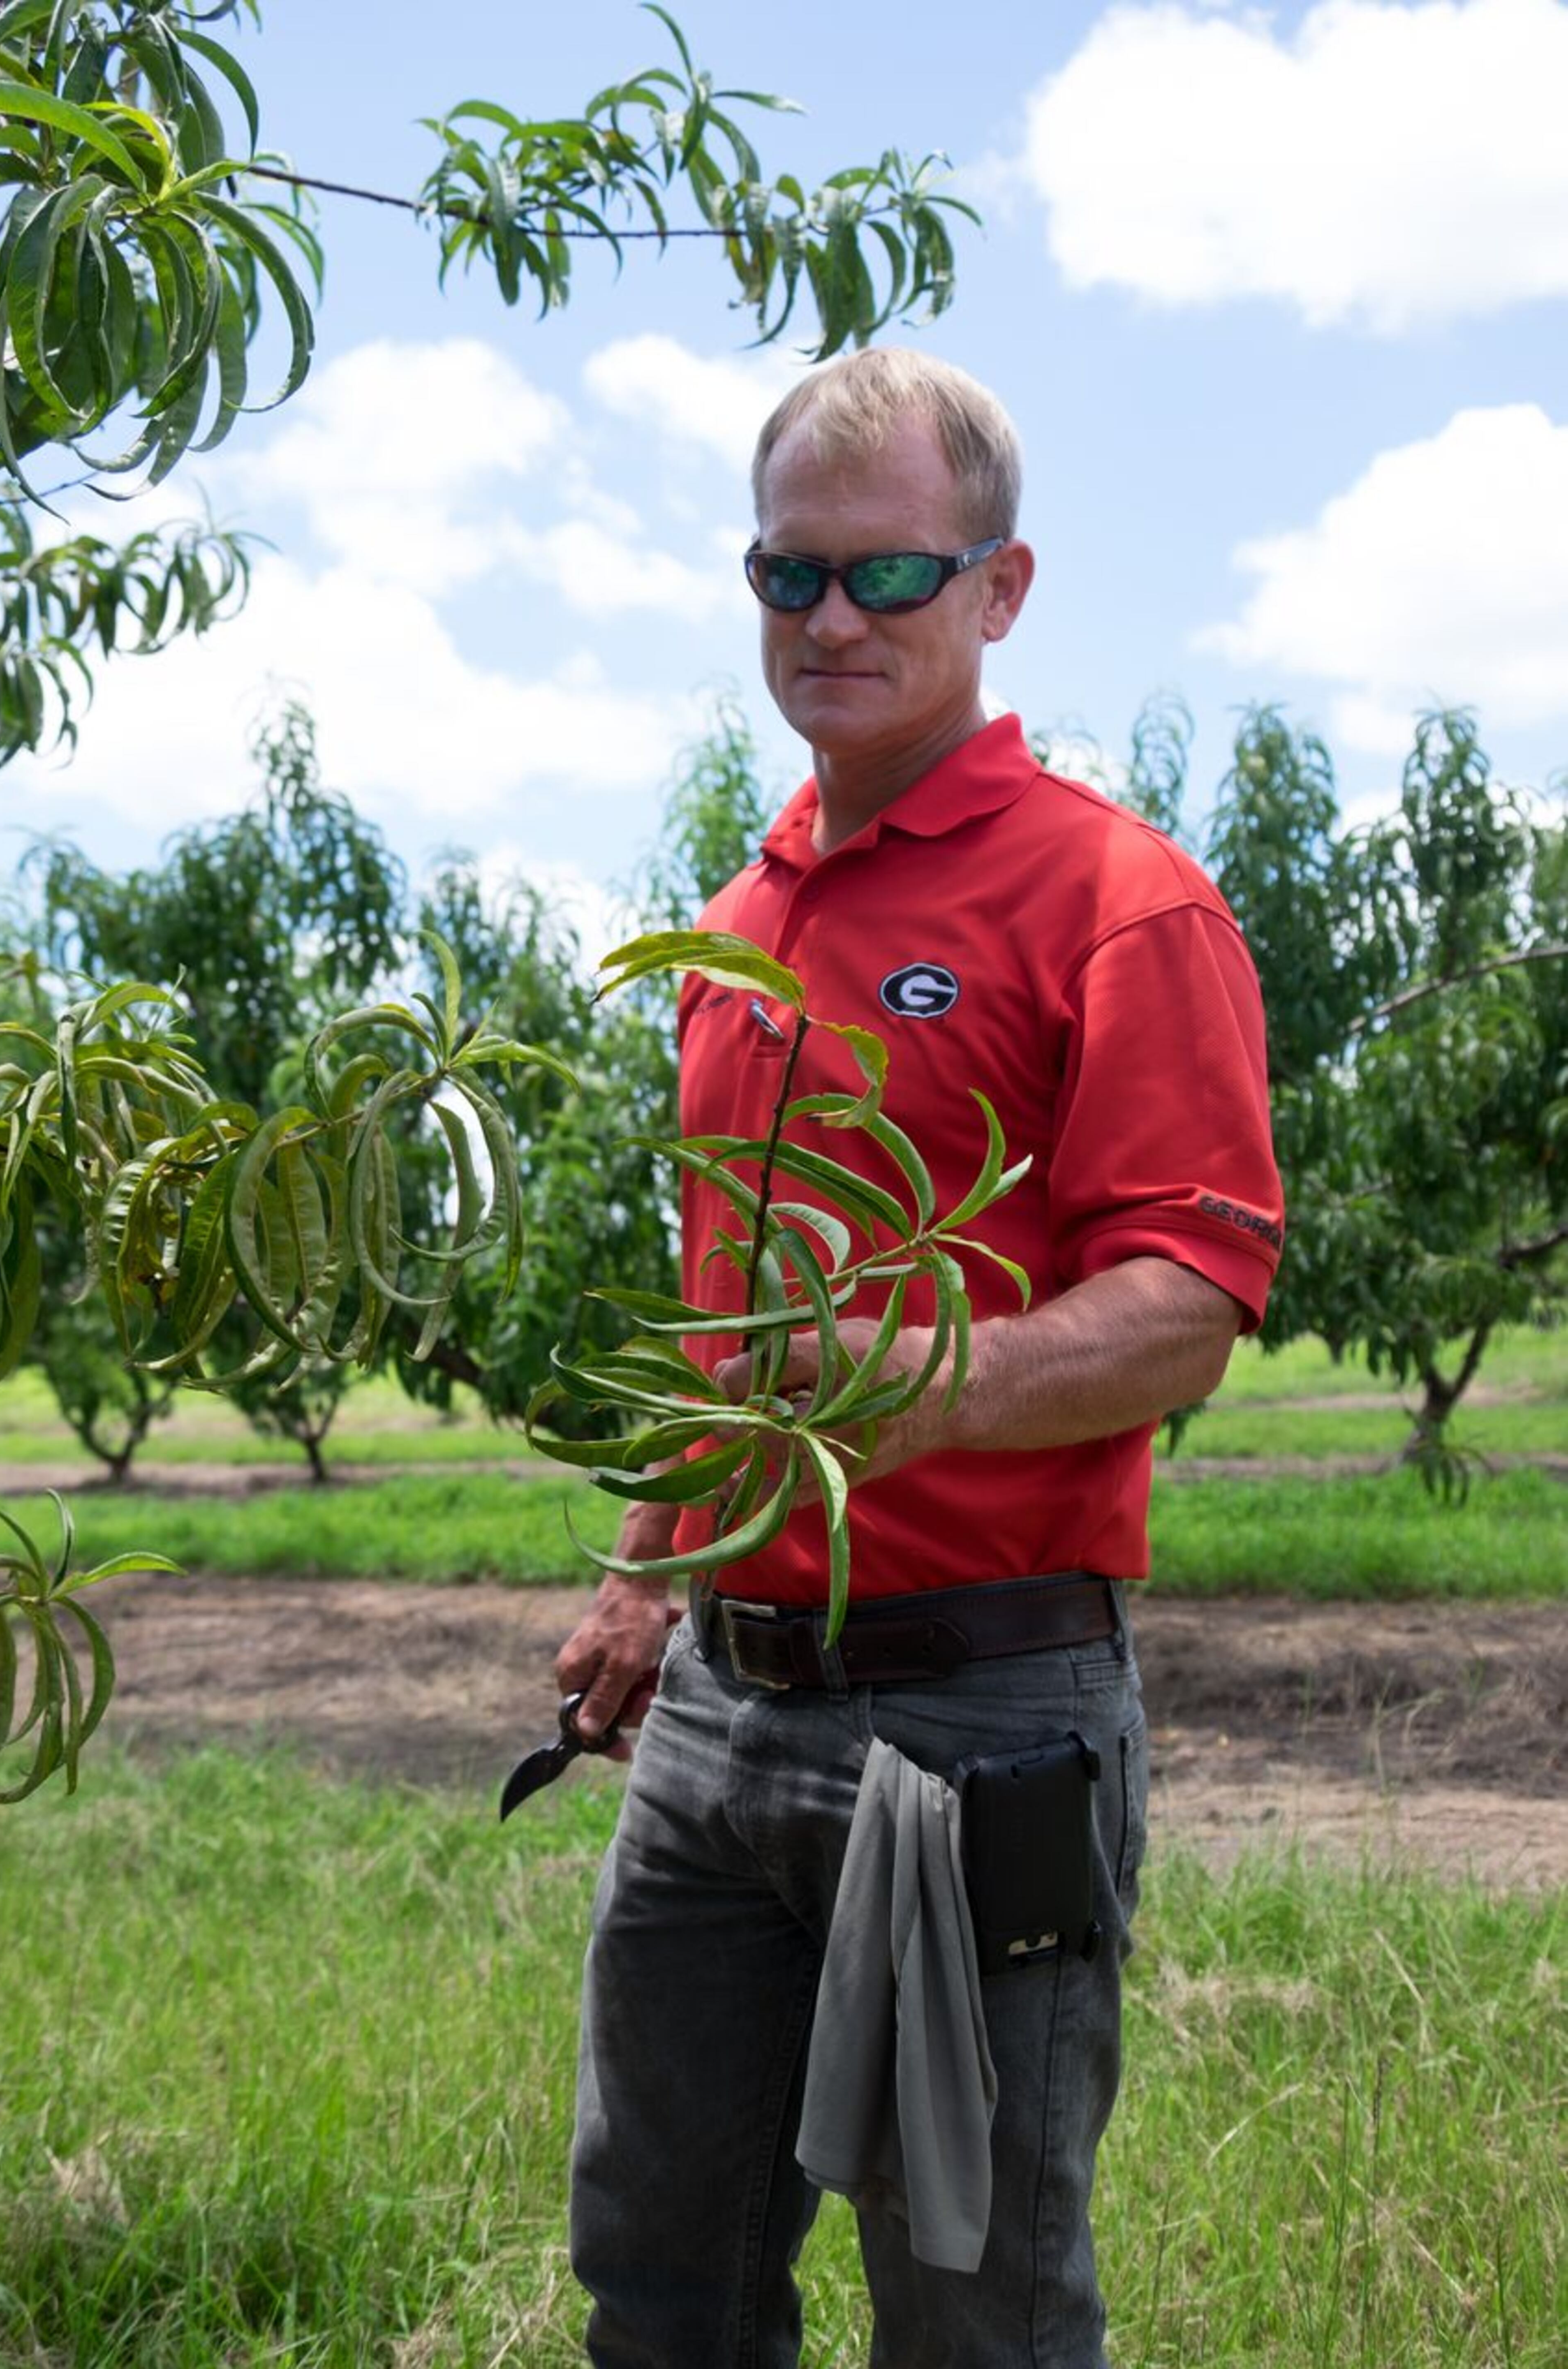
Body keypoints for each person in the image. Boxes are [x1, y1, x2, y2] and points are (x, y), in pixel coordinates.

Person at [553, 349, 1284, 2369]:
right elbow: (732, 1320)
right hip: (725, 1709)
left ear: (1001, 586)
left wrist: (905, 1381)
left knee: (975, 2305)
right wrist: (646, 1569)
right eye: (789, 574)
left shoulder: (1120, 901)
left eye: (889, 572)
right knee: (660, 2270)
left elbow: (1192, 1298)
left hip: (980, 1717)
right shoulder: (737, 923)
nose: (834, 617)